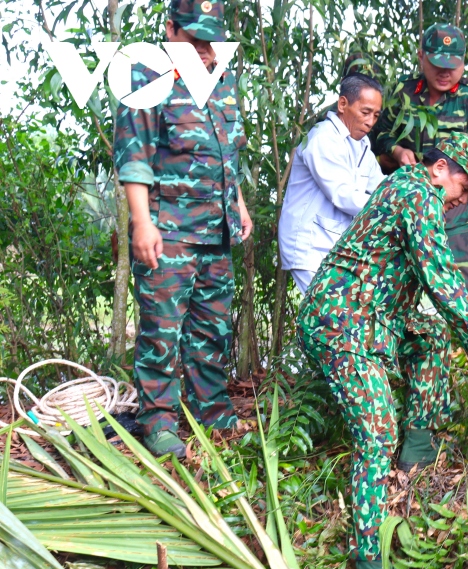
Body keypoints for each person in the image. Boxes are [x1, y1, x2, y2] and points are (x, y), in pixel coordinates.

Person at [297, 133, 468, 569]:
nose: (464, 199)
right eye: (465, 187)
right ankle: (370, 563)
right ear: (440, 170)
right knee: (375, 434)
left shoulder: (412, 190)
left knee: (429, 336)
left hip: (375, 319)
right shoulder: (416, 193)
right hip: (342, 324)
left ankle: (417, 448)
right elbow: (440, 276)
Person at [114, 0, 251, 458]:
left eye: (210, 42)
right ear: (170, 29)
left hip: (218, 230)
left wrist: (240, 204)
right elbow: (134, 155)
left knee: (211, 329)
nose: (204, 51)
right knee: (162, 331)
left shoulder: (223, 77)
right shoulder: (145, 74)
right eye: (194, 41)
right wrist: (142, 223)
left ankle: (211, 409)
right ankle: (158, 422)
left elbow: (228, 151)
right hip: (168, 229)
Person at [371, 23, 468, 324]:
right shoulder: (403, 94)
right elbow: (377, 136)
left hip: (459, 211)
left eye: (453, 66)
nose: (445, 73)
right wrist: (396, 151)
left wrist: (458, 176)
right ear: (421, 57)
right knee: (400, 279)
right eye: (437, 65)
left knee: (461, 282)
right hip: (411, 205)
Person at [278, 74, 386, 294]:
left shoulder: (362, 144)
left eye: (376, 115)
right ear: (343, 104)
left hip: (332, 246)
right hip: (309, 247)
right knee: (327, 319)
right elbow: (343, 195)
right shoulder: (323, 138)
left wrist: (406, 191)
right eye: (365, 112)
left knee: (335, 320)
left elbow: (382, 186)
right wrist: (395, 205)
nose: (370, 122)